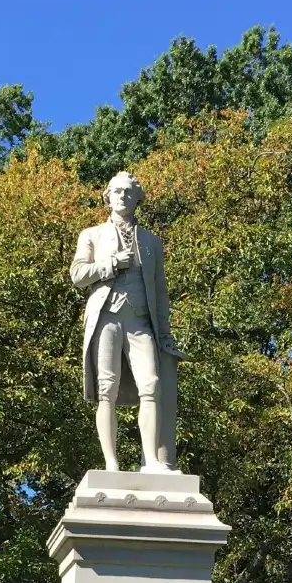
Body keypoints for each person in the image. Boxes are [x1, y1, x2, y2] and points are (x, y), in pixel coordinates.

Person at [70, 171, 184, 472]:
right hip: (106, 317)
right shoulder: (91, 235)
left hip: (140, 320)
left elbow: (160, 292)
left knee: (152, 384)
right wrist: (108, 265)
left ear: (137, 199)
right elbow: (77, 275)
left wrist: (165, 332)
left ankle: (152, 462)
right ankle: (111, 463)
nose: (122, 196)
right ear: (107, 196)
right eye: (117, 191)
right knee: (106, 387)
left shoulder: (151, 241)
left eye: (128, 192)